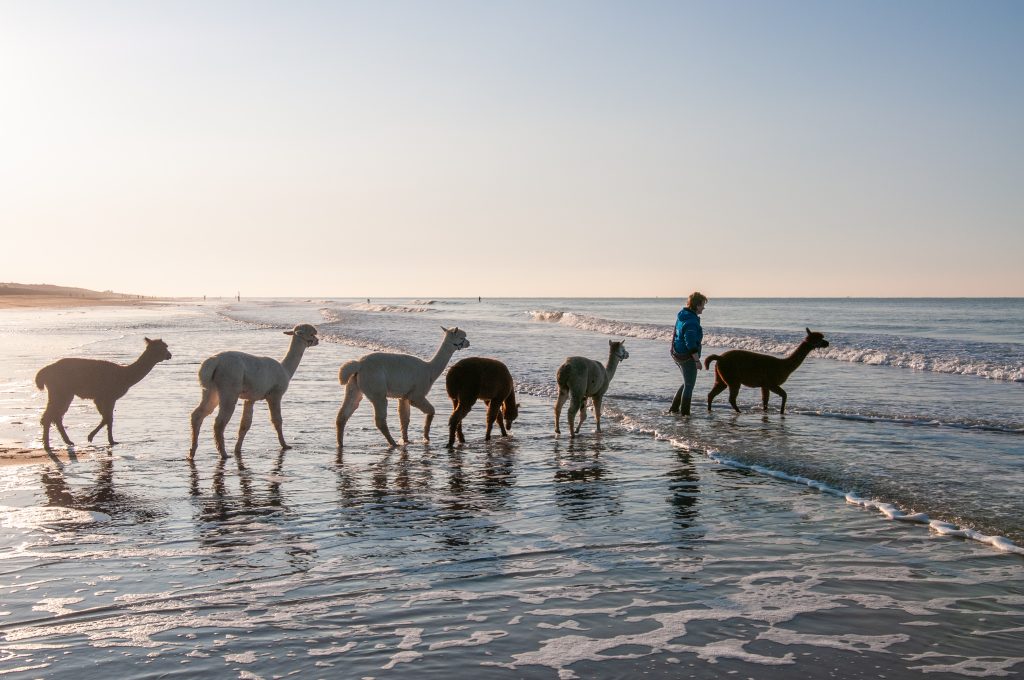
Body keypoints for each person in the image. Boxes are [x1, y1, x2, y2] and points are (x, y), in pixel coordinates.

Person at [669, 291, 707, 415]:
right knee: (689, 386)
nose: (704, 307)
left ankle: (674, 409)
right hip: (687, 357)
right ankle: (685, 415)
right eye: (702, 305)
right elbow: (690, 343)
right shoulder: (691, 321)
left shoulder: (683, 315)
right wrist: (697, 361)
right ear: (697, 305)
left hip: (676, 354)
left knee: (687, 382)